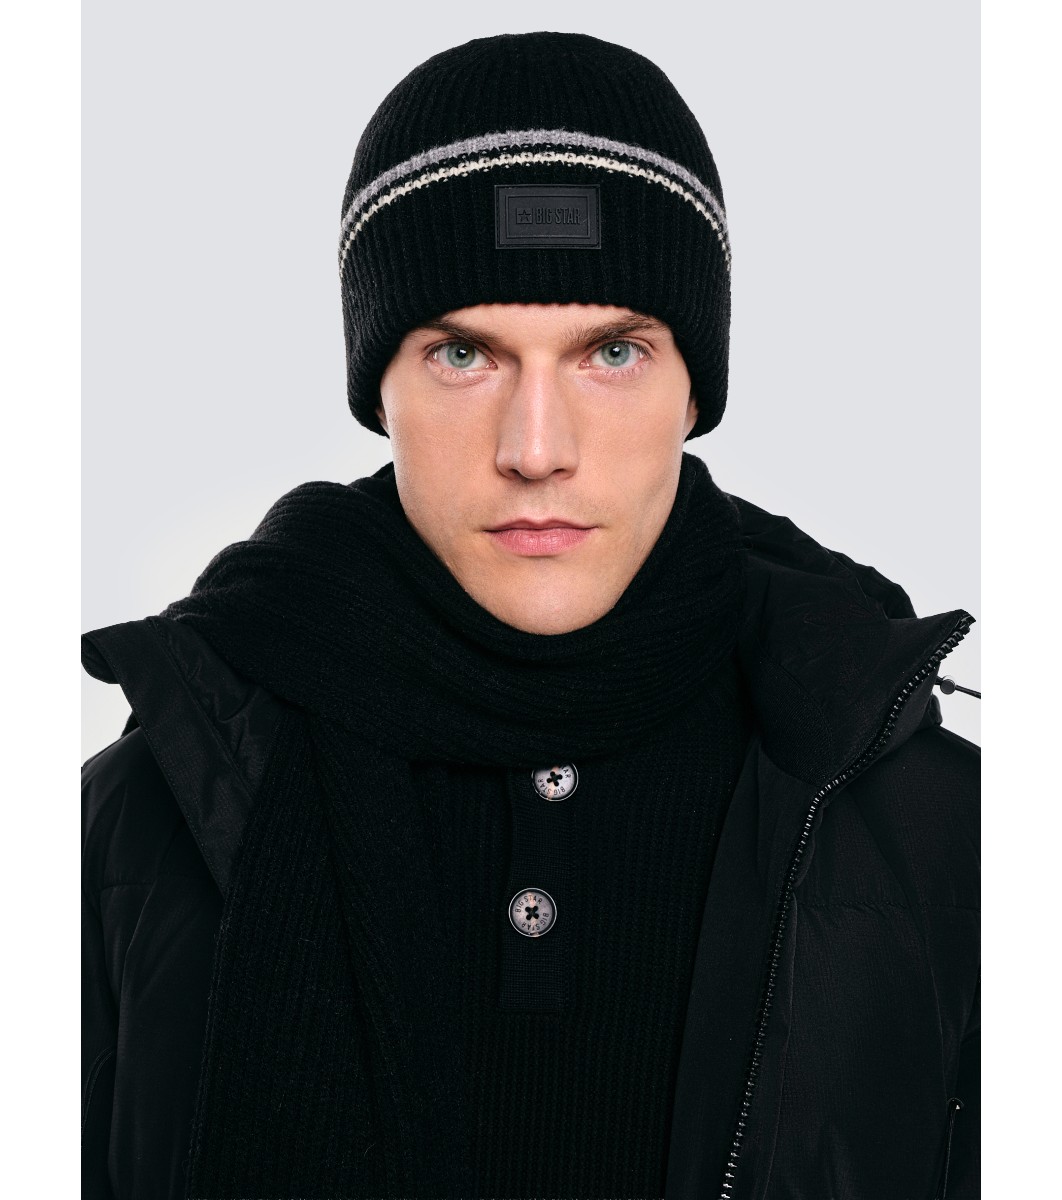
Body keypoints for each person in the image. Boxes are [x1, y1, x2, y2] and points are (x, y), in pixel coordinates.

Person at [81, 31, 980, 1200]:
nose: (537, 448)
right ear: (379, 387)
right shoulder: (141, 813)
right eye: (464, 353)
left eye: (612, 351)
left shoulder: (934, 826)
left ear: (694, 388)